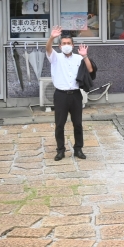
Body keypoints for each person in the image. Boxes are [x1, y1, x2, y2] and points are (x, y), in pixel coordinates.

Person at [46, 26, 93, 161]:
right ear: (60, 46)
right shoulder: (55, 57)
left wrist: (85, 56)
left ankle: (78, 149)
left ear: (73, 45)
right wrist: (51, 38)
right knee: (59, 124)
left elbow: (89, 70)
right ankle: (60, 150)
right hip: (60, 95)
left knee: (77, 123)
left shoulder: (78, 58)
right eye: (64, 43)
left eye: (69, 43)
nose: (66, 46)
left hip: (76, 95)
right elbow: (48, 49)